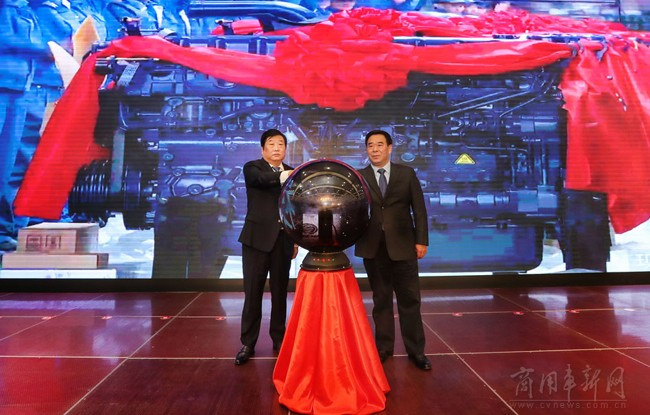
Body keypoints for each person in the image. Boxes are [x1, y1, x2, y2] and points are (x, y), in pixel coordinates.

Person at [354, 130, 431, 371]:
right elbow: (354, 211)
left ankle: (416, 352)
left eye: (379, 145)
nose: (375, 149)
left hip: (404, 246)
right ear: (366, 149)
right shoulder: (359, 176)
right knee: (381, 301)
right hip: (373, 248)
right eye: (370, 145)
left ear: (389, 147)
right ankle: (383, 349)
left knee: (410, 301)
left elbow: (419, 209)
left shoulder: (406, 174)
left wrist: (421, 240)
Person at [235, 129, 298, 365]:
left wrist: (294, 240)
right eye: (271, 144)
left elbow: (294, 208)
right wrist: (284, 176)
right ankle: (247, 343)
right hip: (256, 241)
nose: (277, 147)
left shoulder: (292, 171)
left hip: (283, 241)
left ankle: (279, 339)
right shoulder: (253, 168)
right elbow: (261, 181)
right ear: (263, 149)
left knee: (280, 294)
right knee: (253, 293)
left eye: (281, 144)